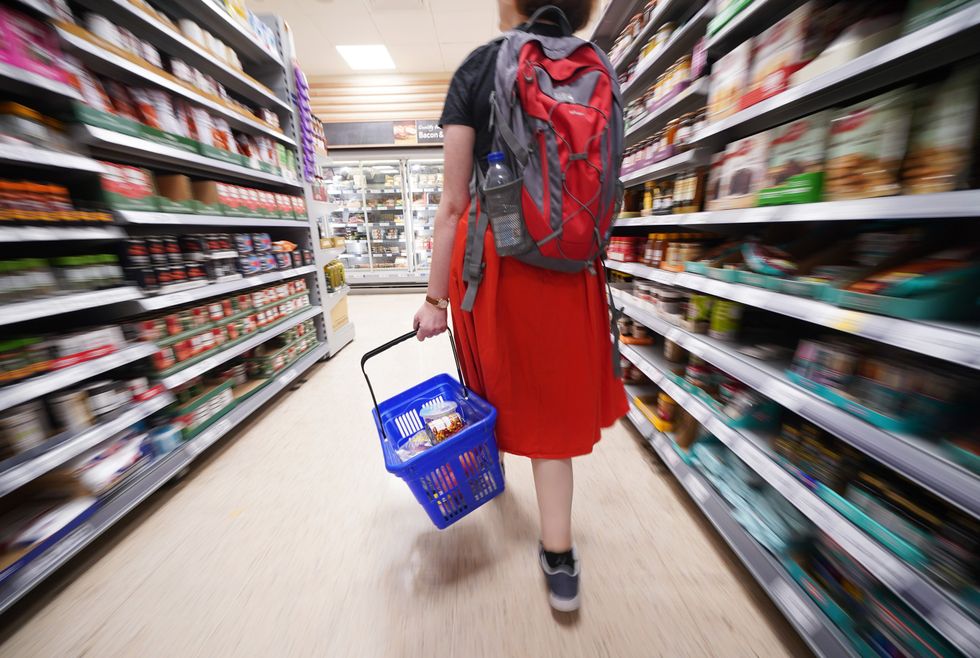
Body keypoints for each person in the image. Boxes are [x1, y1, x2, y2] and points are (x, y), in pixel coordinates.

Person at [412, 0, 627, 612]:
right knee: (553, 408)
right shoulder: (601, 70)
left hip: (496, 262)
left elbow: (453, 204)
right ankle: (559, 558)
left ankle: (492, 476)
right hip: (570, 264)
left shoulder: (479, 68)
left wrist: (434, 300)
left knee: (493, 383)